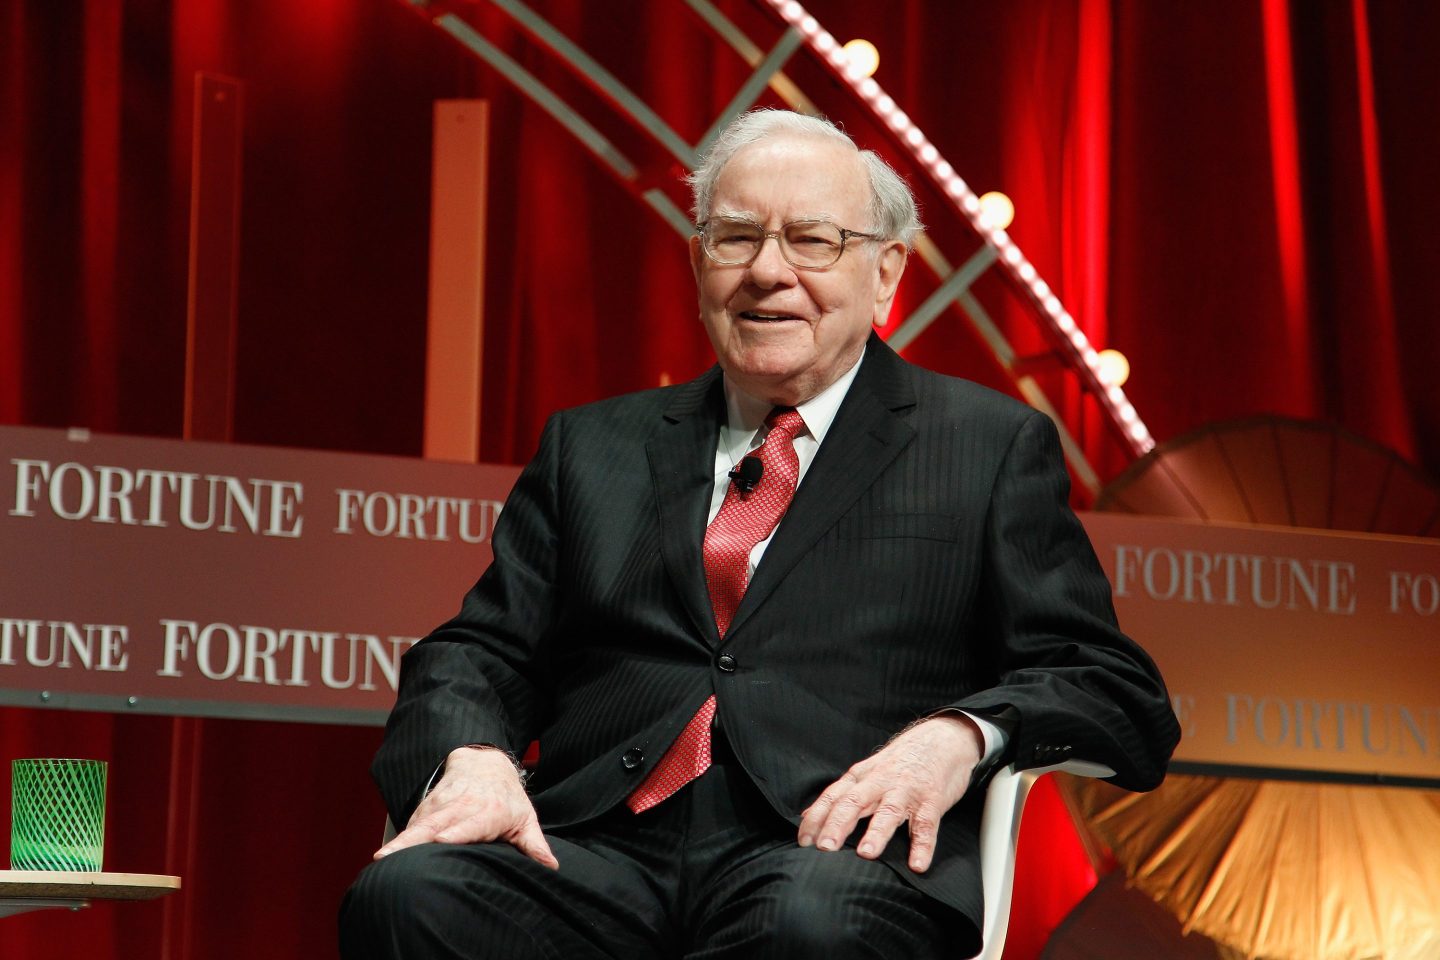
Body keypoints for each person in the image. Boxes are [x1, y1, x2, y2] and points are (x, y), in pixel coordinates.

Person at [339, 109, 1179, 959]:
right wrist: (473, 755)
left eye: (812, 240)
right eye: (736, 238)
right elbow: (478, 651)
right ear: (699, 262)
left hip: (825, 852)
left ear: (886, 273)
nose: (768, 273)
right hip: (593, 850)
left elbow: (1110, 687)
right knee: (409, 897)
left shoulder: (985, 447)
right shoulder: (591, 446)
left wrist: (958, 735)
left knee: (804, 928)